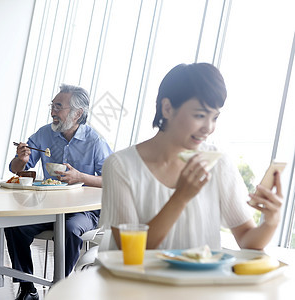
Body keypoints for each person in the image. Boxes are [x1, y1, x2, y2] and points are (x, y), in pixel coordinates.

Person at [99, 63, 283, 251]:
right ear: (168, 108)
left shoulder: (218, 163)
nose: (208, 127)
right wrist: (180, 197)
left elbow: (246, 239)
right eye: (200, 115)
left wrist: (271, 221)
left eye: (215, 117)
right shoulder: (120, 166)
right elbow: (129, 251)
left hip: (202, 280)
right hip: (138, 280)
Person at [5, 84, 112, 300]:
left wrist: (81, 177)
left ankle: (61, 288)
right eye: (52, 106)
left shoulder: (96, 141)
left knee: (71, 229)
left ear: (78, 113)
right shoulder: (45, 134)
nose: (52, 111)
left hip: (85, 212)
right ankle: (27, 287)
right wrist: (21, 159)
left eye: (58, 106)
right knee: (14, 225)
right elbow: (16, 170)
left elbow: (112, 180)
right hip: (48, 206)